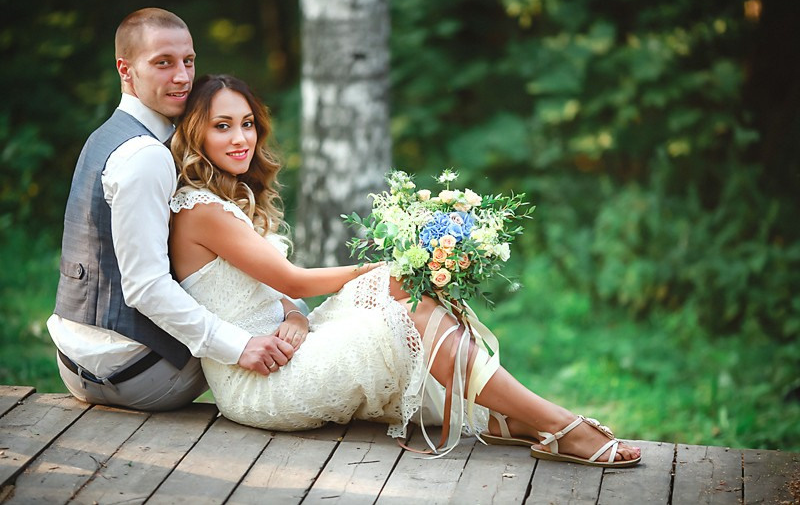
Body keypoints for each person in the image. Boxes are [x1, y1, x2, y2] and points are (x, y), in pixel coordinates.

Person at [167, 73, 642, 467]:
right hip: (260, 382)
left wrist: (293, 317)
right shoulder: (201, 209)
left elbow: (270, 290)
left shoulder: (228, 198)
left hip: (286, 344)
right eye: (222, 126)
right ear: (196, 135)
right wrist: (380, 266)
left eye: (247, 123)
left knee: (411, 289)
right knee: (403, 294)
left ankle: (513, 419)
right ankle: (558, 424)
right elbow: (292, 278)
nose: (241, 138)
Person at [47, 8, 295, 412]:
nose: (182, 76)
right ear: (125, 70)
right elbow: (145, 287)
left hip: (79, 364)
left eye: (188, 61)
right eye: (163, 63)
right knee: (288, 338)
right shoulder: (146, 156)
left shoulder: (107, 135)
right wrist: (240, 345)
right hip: (134, 374)